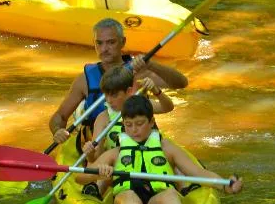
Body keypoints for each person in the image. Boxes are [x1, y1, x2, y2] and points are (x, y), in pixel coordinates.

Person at [76, 95, 242, 204]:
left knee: (171, 195)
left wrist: (225, 186)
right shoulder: (116, 153)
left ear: (151, 121)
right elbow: (80, 177)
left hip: (156, 200)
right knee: (129, 197)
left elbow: (198, 173)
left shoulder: (166, 149)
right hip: (128, 201)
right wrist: (98, 172)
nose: (134, 130)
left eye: (140, 124)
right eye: (128, 125)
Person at [49, 17, 188, 145]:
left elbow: (181, 83)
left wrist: (152, 65)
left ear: (123, 42)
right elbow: (60, 116)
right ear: (94, 44)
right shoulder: (84, 79)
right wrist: (58, 131)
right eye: (99, 43)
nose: (104, 49)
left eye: (111, 42)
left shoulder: (140, 71)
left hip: (137, 138)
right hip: (101, 145)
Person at [82, 65, 174, 167]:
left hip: (149, 160)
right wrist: (89, 155)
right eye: (106, 95)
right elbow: (96, 157)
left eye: (114, 95)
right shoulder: (103, 118)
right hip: (121, 165)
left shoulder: (141, 106)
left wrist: (156, 91)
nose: (109, 100)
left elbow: (167, 107)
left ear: (129, 91)